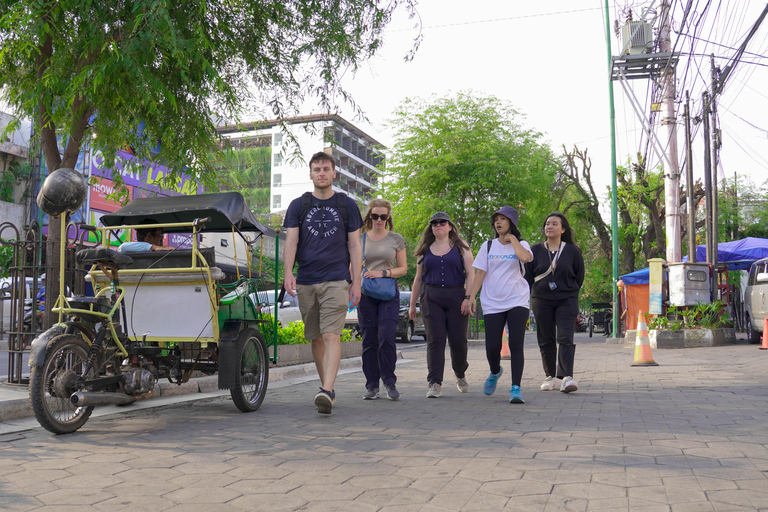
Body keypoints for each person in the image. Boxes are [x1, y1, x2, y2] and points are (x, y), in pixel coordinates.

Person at [283, 151, 363, 414]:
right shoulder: (298, 205)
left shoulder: (347, 205)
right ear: (310, 174)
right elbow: (291, 242)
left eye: (326, 169)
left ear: (333, 174)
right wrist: (288, 273)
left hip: (336, 279)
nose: (321, 173)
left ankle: (327, 390)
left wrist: (356, 282)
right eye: (316, 169)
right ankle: (326, 387)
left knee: (330, 334)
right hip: (306, 279)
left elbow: (354, 247)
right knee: (315, 338)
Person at [467, 206, 533, 404]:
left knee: (515, 345)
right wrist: (471, 296)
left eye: (503, 219)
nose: (498, 222)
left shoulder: (521, 244)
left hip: (517, 300)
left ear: (511, 222)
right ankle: (495, 371)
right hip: (492, 302)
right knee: (492, 346)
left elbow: (526, 258)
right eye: (496, 219)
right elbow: (480, 273)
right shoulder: (488, 246)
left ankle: (516, 388)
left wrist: (512, 240)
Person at [410, 212, 474, 398]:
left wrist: (468, 297)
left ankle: (460, 373)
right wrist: (412, 304)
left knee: (458, 340)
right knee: (435, 340)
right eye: (434, 223)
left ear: (450, 226)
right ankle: (435, 382)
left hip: (456, 296)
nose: (438, 225)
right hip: (431, 297)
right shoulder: (424, 250)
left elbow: (471, 274)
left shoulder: (462, 248)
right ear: (431, 227)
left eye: (442, 222)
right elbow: (418, 278)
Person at [525, 212, 585, 393]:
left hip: (566, 300)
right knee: (546, 339)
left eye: (554, 224)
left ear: (563, 229)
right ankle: (550, 376)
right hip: (541, 300)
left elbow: (579, 276)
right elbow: (528, 276)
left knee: (565, 337)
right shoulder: (535, 250)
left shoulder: (573, 251)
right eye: (547, 223)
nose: (549, 227)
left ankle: (566, 377)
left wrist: (568, 291)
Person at [357, 199, 408, 401]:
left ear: (388, 217)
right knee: (369, 340)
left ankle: (389, 381)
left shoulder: (396, 239)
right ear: (370, 216)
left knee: (386, 337)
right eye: (375, 215)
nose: (379, 219)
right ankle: (371, 385)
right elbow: (353, 268)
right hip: (366, 294)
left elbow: (403, 269)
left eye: (383, 216)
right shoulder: (359, 239)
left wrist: (383, 273)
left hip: (388, 293)